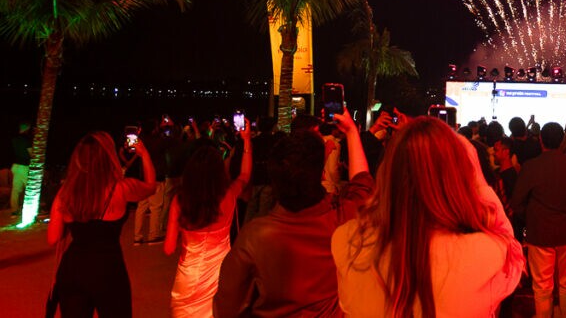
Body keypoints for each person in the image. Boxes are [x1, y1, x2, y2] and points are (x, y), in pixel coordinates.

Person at [334, 116, 525, 318]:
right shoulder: (484, 253)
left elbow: (362, 187)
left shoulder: (349, 244)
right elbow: (512, 251)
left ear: (388, 171)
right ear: (456, 177)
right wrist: (474, 169)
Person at [215, 110, 372, 317]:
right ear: (320, 173)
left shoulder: (254, 236)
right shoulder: (342, 218)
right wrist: (351, 132)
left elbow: (226, 307)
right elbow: (362, 184)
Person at [47, 131, 157, 317]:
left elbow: (53, 238)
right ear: (108, 158)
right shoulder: (121, 188)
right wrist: (144, 154)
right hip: (108, 269)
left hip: (73, 269)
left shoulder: (65, 193)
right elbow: (150, 186)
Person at [164, 123, 251, 317]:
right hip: (222, 273)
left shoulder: (180, 201)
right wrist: (246, 141)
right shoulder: (228, 196)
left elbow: (169, 248)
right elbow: (245, 175)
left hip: (189, 276)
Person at [511, 121, 566, 318]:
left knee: (542, 287)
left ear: (541, 140)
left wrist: (532, 215)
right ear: (562, 140)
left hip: (540, 234)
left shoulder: (531, 166)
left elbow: (516, 202)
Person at [9, 120, 30, 219]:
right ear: (27, 129)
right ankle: (30, 210)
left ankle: (14, 211)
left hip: (15, 166)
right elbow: (31, 154)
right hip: (24, 167)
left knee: (15, 190)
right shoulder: (26, 139)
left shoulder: (14, 139)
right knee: (30, 189)